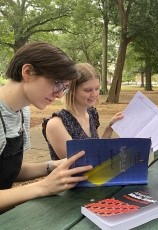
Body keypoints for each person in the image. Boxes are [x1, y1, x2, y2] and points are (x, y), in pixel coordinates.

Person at [0, 42, 92, 212]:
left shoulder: (22, 112)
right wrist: (43, 187)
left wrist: (52, 166)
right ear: (27, 72)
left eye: (64, 88)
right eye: (56, 83)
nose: (59, 94)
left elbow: (10, 170)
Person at [42, 63, 123, 160]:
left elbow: (99, 149)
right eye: (88, 90)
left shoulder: (92, 113)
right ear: (72, 90)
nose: (95, 94)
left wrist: (110, 127)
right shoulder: (56, 124)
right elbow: (76, 164)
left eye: (97, 89)